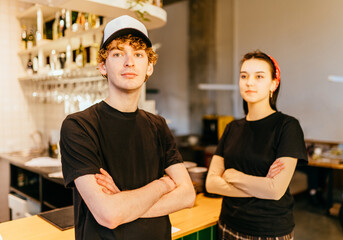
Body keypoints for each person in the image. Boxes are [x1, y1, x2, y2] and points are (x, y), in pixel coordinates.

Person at [60, 15, 195, 240]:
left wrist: (123, 201)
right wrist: (163, 184)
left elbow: (187, 196)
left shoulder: (158, 126)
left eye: (138, 54)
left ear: (149, 66)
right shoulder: (79, 126)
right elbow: (109, 214)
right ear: (103, 66)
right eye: (118, 54)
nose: (129, 62)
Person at [205, 50, 308, 240]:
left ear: (273, 84)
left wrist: (232, 175)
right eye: (244, 76)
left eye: (259, 76)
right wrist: (261, 187)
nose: (249, 82)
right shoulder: (231, 128)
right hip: (228, 225)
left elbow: (276, 190)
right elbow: (211, 184)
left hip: (269, 231)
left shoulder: (287, 127)